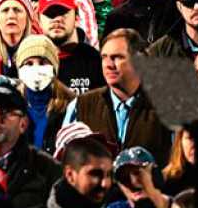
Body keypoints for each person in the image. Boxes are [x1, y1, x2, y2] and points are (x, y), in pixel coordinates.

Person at [67, 28, 172, 161]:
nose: (109, 65)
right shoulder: (80, 105)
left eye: (117, 57)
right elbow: (68, 162)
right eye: (104, 57)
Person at [15, 35, 74, 156]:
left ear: (54, 68)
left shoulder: (72, 105)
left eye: (42, 63)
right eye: (29, 63)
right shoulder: (11, 105)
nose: (36, 68)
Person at [39, 0, 105, 94]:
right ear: (39, 20)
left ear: (76, 17)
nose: (57, 19)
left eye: (63, 12)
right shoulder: (30, 60)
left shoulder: (95, 60)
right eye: (50, 14)